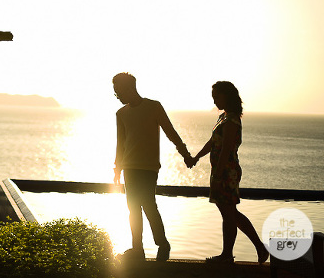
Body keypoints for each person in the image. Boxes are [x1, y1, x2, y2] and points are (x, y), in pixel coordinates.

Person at [112, 72, 194, 262]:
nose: (118, 97)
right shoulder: (121, 113)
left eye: (119, 92)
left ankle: (162, 244)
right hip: (129, 167)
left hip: (148, 167)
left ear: (129, 88)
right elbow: (121, 143)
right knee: (133, 208)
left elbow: (170, 132)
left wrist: (186, 155)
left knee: (148, 205)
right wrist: (117, 168)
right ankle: (137, 250)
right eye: (115, 93)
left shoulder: (154, 107)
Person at [188, 81, 269, 264]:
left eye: (217, 96)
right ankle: (257, 248)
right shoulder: (223, 117)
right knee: (231, 213)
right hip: (221, 171)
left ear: (227, 95)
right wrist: (197, 157)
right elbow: (213, 142)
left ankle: (228, 255)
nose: (214, 100)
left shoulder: (231, 120)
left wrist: (217, 175)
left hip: (226, 172)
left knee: (229, 214)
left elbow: (225, 149)